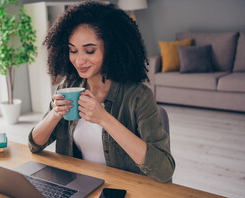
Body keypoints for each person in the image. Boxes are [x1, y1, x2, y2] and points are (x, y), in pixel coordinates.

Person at [28, 1, 175, 183]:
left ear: (112, 49)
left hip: (124, 191)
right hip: (80, 186)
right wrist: (55, 114)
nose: (79, 60)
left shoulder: (138, 96)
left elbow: (164, 170)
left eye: (89, 51)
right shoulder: (68, 87)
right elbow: (34, 145)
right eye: (73, 50)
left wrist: (104, 118)